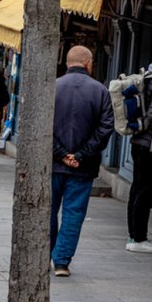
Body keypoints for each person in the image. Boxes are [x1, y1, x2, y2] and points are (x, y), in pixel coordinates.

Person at [50, 45, 113, 276]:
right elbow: (105, 128)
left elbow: (42, 125)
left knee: (48, 211)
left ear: (67, 63)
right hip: (83, 167)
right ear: (89, 64)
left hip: (53, 164)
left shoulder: (53, 87)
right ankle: (61, 262)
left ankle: (45, 253)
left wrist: (60, 154)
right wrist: (81, 155)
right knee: (73, 214)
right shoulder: (100, 91)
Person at [124, 63, 152, 254]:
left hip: (139, 141)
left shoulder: (149, 76)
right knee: (144, 190)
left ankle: (133, 235)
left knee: (137, 188)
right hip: (149, 145)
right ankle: (138, 238)